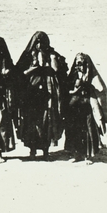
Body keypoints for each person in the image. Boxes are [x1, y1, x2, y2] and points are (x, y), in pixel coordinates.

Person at [14, 31, 67, 160]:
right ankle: (32, 150)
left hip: (48, 95)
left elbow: (60, 72)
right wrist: (33, 69)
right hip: (31, 94)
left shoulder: (52, 55)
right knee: (31, 122)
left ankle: (45, 150)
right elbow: (19, 73)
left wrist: (52, 61)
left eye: (42, 42)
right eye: (37, 42)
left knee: (46, 122)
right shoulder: (27, 56)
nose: (39, 45)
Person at [63, 52, 107, 164]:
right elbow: (66, 89)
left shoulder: (92, 77)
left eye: (82, 63)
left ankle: (88, 156)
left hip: (87, 107)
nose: (79, 66)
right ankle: (76, 155)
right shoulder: (73, 75)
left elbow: (99, 90)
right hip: (75, 108)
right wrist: (74, 91)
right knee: (74, 130)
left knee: (88, 130)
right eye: (78, 63)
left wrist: (88, 84)